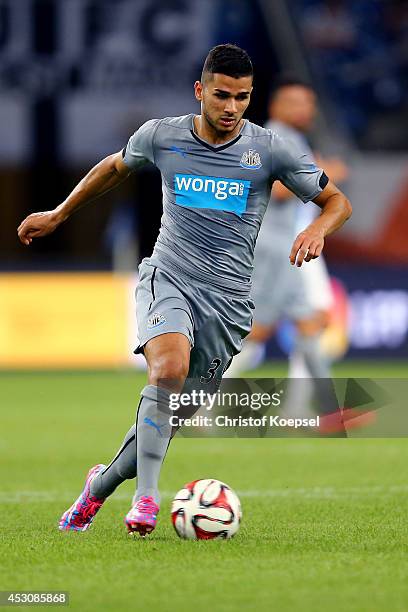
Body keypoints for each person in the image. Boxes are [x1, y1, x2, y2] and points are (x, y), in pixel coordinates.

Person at [17, 45, 352, 536]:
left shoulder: (271, 149)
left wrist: (320, 228)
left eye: (242, 97)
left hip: (229, 303)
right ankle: (147, 500)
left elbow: (336, 200)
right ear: (200, 91)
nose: (231, 107)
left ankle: (99, 486)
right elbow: (113, 168)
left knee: (166, 418)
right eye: (221, 95)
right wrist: (60, 213)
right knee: (167, 369)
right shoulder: (161, 135)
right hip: (168, 276)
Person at [227, 78, 349, 418]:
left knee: (312, 321)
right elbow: (278, 189)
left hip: (288, 245)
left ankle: (319, 409)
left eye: (307, 103)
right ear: (276, 106)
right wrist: (326, 174)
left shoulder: (288, 138)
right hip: (273, 244)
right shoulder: (274, 138)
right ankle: (195, 403)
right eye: (294, 102)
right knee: (257, 329)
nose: (303, 109)